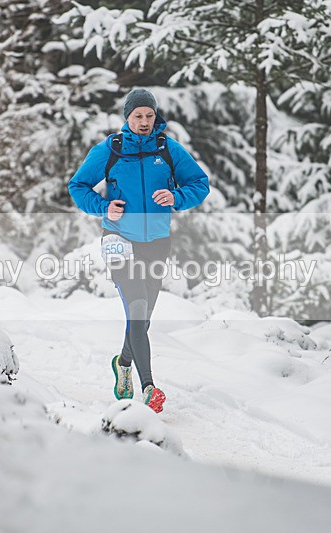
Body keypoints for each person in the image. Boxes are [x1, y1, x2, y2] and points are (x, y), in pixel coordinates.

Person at [69, 88, 209, 413]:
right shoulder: (111, 150)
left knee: (142, 318)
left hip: (157, 242)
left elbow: (199, 184)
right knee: (137, 306)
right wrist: (104, 207)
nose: (144, 122)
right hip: (118, 238)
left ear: (154, 116)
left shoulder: (168, 149)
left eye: (148, 115)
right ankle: (149, 388)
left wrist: (176, 197)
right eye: (137, 116)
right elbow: (77, 186)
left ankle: (123, 363)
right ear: (127, 117)